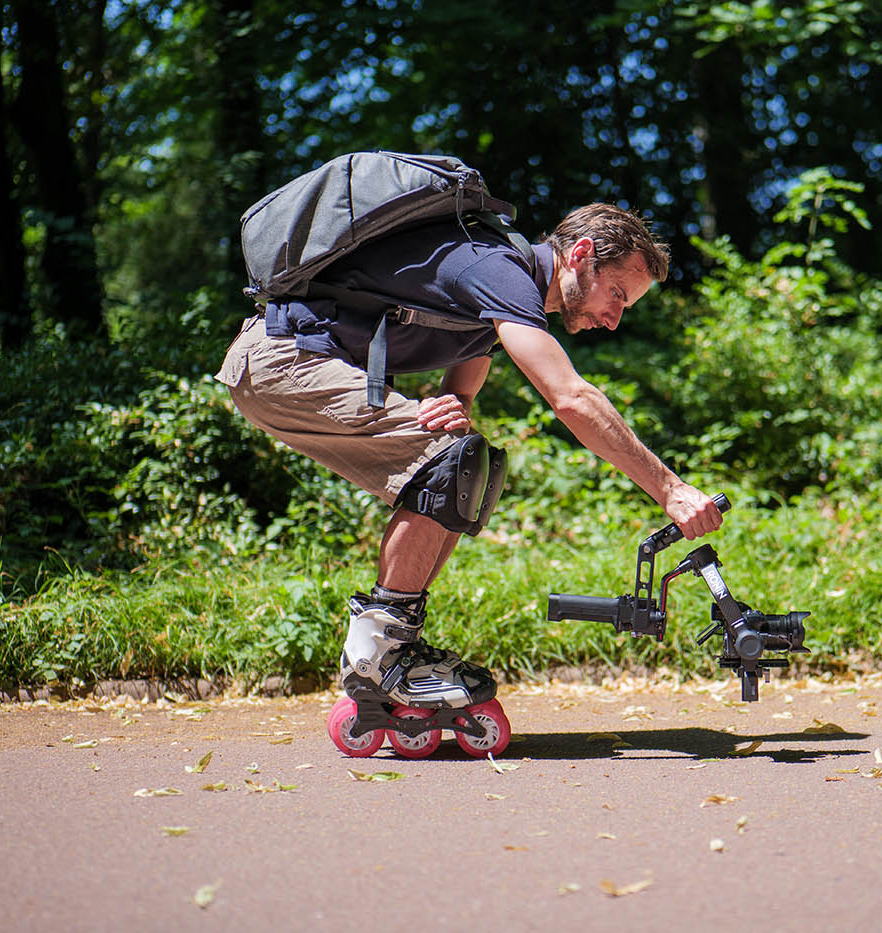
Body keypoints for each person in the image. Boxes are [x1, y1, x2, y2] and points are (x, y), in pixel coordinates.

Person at [215, 202, 724, 727]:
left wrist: (453, 408)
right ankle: (380, 655)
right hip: (282, 359)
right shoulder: (498, 270)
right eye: (616, 294)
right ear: (581, 254)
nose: (614, 319)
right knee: (447, 467)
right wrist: (669, 488)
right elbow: (570, 397)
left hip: (294, 363)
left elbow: (459, 397)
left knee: (466, 464)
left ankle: (396, 644)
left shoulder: (503, 293)